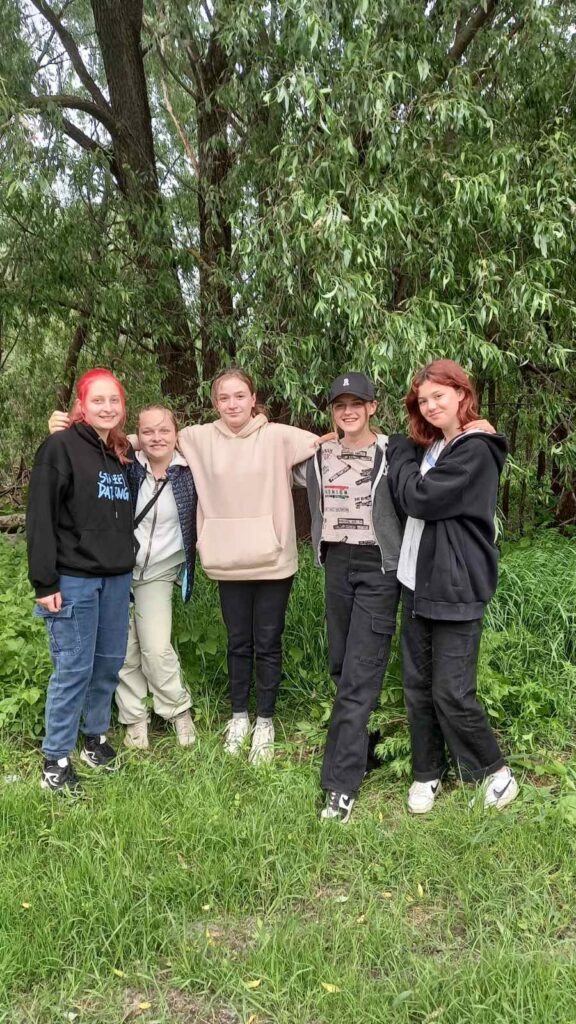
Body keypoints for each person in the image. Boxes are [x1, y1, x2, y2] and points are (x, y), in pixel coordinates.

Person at [386, 359, 519, 814]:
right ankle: (427, 772)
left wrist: (400, 454)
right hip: (416, 582)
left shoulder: (475, 449)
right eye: (423, 400)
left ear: (462, 394)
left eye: (438, 396)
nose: (430, 406)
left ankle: (496, 774)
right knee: (417, 686)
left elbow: (419, 498)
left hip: (455, 585)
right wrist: (408, 451)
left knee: (452, 692)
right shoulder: (435, 447)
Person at [173, 368, 321, 764]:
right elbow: (151, 437)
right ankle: (239, 716)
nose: (232, 404)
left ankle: (265, 722)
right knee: (238, 641)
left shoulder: (278, 437)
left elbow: (331, 442)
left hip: (273, 561)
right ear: (215, 403)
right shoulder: (199, 438)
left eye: (240, 396)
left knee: (268, 641)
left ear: (253, 399)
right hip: (228, 557)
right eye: (224, 398)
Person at [48, 405, 198, 751]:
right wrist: (63, 432)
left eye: (164, 430)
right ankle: (134, 718)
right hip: (116, 568)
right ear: (137, 436)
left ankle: (177, 709)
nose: (156, 438)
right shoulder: (124, 462)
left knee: (155, 647)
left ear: (177, 434)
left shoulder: (190, 471)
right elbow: (90, 447)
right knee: (122, 651)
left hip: (158, 571)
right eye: (148, 432)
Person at [295, 373, 403, 823]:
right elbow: (261, 455)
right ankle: (364, 748)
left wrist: (479, 427)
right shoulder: (317, 456)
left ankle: (340, 784)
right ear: (332, 412)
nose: (348, 412)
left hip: (379, 567)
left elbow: (445, 449)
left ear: (372, 407)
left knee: (360, 673)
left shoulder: (394, 452)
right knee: (342, 667)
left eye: (357, 403)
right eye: (340, 405)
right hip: (337, 563)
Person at [27, 369, 135, 793]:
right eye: (98, 400)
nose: (107, 407)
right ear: (81, 405)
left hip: (116, 578)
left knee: (107, 664)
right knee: (73, 668)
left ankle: (94, 739)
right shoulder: (59, 448)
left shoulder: (118, 452)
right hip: (73, 580)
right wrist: (45, 583)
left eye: (114, 400)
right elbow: (40, 517)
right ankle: (55, 760)